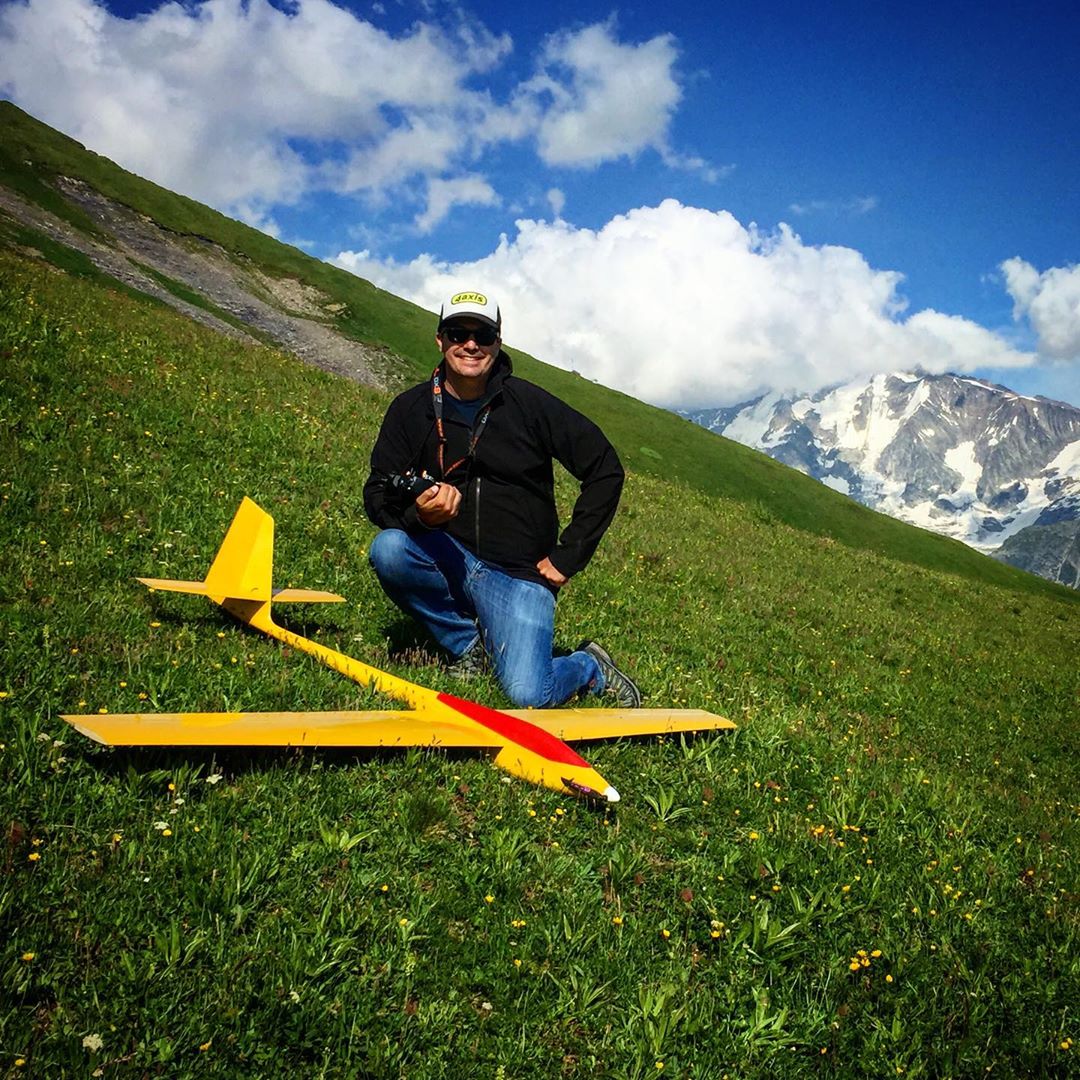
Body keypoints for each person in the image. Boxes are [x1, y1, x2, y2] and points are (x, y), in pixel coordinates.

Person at [363, 289, 641, 709]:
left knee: (530, 695)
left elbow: (604, 468)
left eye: (484, 334)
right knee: (389, 549)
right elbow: (377, 492)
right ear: (440, 340)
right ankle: (467, 643)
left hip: (520, 574)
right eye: (458, 332)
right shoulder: (410, 409)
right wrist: (417, 515)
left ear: (498, 341)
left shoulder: (530, 404)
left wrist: (570, 555)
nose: (470, 344)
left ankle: (588, 665)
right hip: (450, 554)